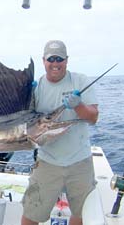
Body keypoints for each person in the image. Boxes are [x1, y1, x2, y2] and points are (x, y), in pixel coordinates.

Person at [21, 40, 99, 225]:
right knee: (31, 214)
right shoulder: (36, 88)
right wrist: (26, 96)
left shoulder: (80, 80)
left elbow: (93, 118)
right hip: (47, 162)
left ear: (66, 60)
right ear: (43, 61)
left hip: (80, 161)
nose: (55, 64)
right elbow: (29, 124)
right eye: (51, 59)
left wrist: (78, 105)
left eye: (60, 59)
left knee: (81, 214)